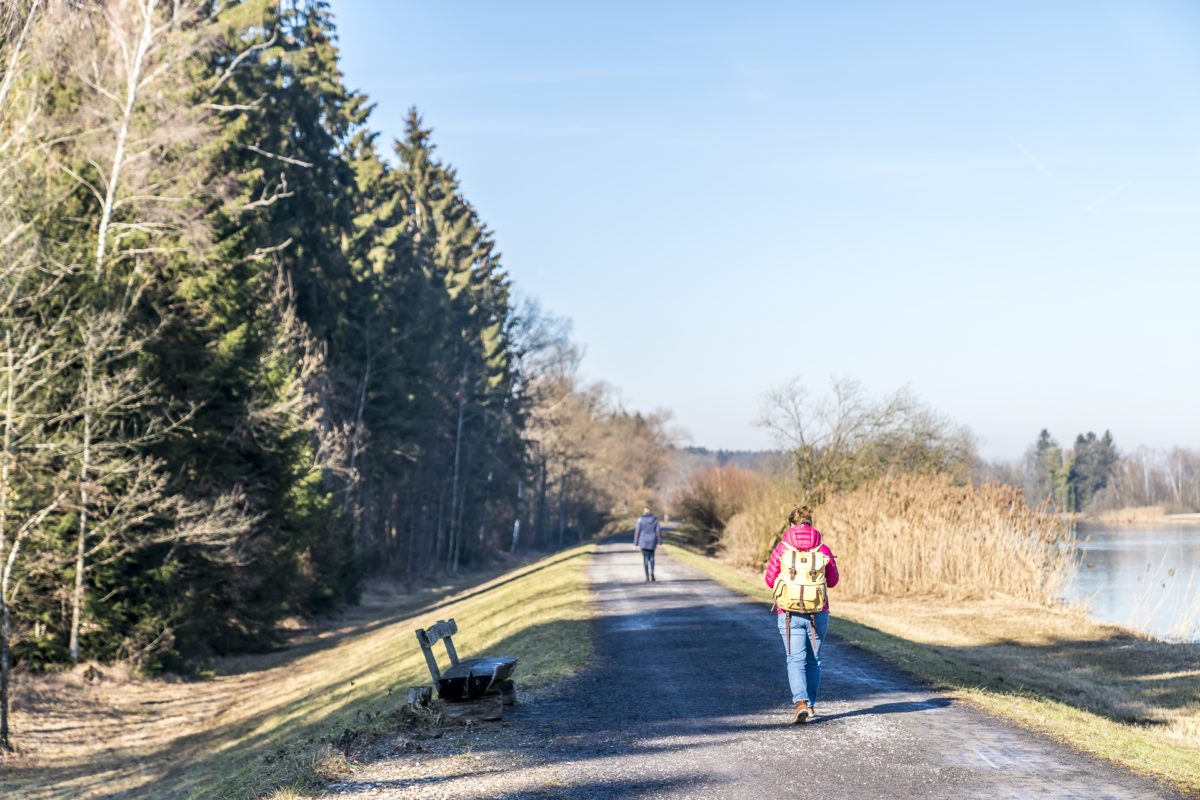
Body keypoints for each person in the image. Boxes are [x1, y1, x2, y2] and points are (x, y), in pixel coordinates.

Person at [763, 505, 839, 724]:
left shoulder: (782, 549)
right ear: (810, 523)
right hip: (818, 611)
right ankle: (812, 706)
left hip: (788, 613)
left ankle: (801, 703)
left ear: (790, 524)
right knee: (814, 660)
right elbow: (833, 582)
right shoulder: (823, 549)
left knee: (795, 659)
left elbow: (769, 580)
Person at [633, 506, 662, 582]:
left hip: (643, 541)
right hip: (652, 540)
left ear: (644, 512)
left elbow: (637, 532)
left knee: (645, 558)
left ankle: (647, 576)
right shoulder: (655, 520)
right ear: (650, 512)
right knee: (652, 557)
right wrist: (660, 542)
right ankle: (652, 572)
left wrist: (636, 543)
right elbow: (658, 531)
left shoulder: (640, 520)